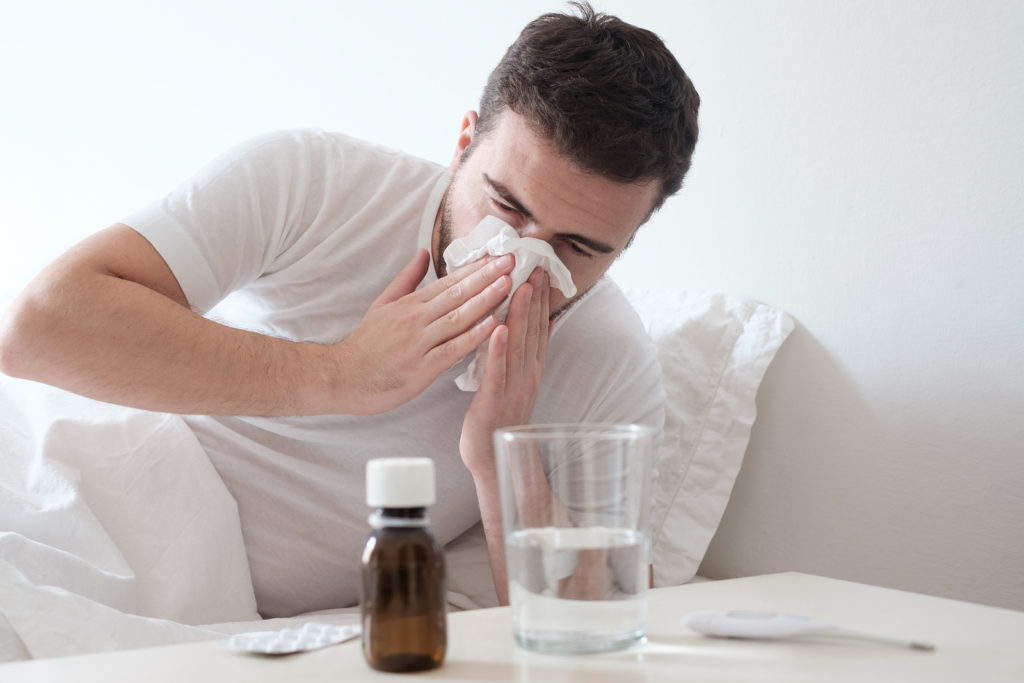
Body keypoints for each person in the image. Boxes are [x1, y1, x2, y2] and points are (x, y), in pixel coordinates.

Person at [0, 2, 699, 618]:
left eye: (577, 247)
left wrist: (501, 456)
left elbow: (602, 629)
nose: (523, 263)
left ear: (624, 248)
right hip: (80, 496)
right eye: (507, 206)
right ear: (461, 147)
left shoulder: (610, 364)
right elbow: (37, 327)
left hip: (223, 610)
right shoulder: (315, 183)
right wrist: (339, 374)